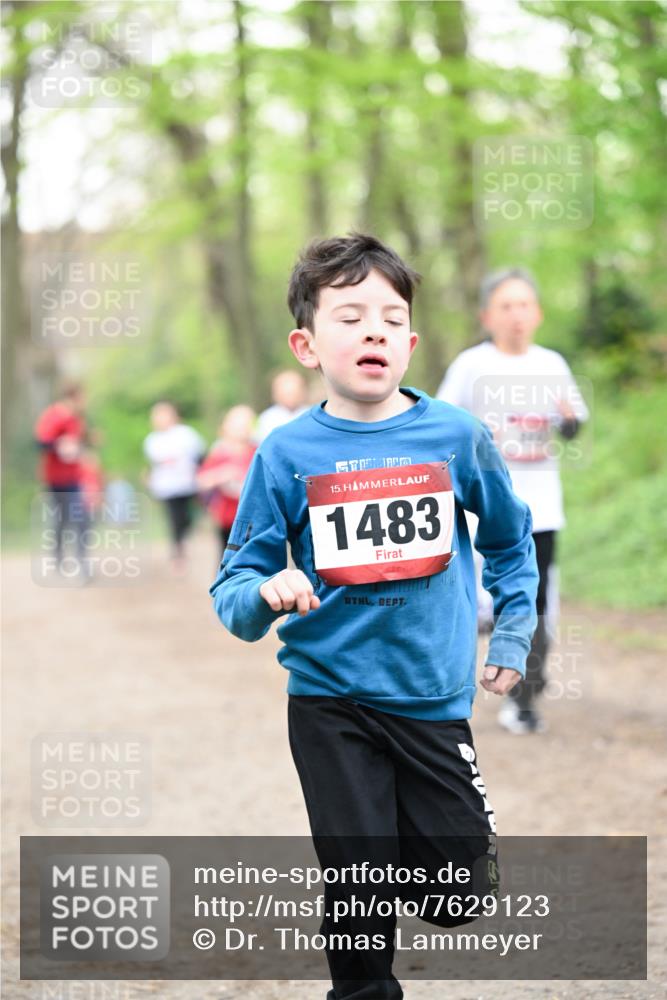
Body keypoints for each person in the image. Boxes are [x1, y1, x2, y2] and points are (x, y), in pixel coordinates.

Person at [210, 234, 538, 1000]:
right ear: (306, 343)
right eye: (350, 316)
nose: (373, 333)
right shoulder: (285, 454)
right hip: (330, 700)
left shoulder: (455, 436)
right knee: (358, 879)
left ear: (411, 343)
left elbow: (511, 543)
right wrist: (264, 592)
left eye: (391, 320)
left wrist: (514, 630)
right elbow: (235, 586)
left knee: (456, 894)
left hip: (428, 699)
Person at [436, 267, 589, 735]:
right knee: (468, 600)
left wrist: (566, 422)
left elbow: (574, 422)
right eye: (505, 306)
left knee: (534, 601)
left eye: (524, 305)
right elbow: (442, 425)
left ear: (538, 313)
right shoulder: (470, 366)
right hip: (478, 508)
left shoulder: (552, 364)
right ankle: (447, 689)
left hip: (539, 505)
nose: (516, 315)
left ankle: (525, 697)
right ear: (487, 316)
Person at [34, 382, 90, 575]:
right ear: (74, 396)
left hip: (74, 477)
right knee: (63, 519)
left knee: (81, 516)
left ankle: (81, 560)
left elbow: (78, 444)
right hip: (56, 478)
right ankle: (58, 557)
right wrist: (60, 445)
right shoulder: (54, 415)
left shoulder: (76, 419)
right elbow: (41, 443)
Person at [143, 401, 205, 573]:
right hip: (166, 487)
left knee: (187, 518)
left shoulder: (187, 435)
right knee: (173, 519)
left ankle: (183, 540)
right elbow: (153, 464)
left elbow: (200, 456)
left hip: (187, 484)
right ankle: (177, 552)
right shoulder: (152, 440)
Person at [196, 405, 257, 561]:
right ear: (226, 427)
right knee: (227, 558)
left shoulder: (257, 451)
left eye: (246, 424)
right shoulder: (219, 452)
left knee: (253, 557)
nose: (242, 429)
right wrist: (223, 474)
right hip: (227, 517)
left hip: (254, 517)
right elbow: (201, 481)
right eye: (237, 425)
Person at [256, 368, 309, 441]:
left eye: (293, 392)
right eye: (287, 393)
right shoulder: (267, 418)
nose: (291, 397)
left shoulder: (312, 415)